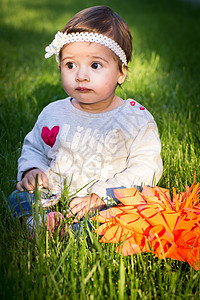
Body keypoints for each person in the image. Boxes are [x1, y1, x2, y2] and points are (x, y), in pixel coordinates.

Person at [8, 5, 163, 234]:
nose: (81, 75)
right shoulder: (53, 113)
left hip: (104, 200)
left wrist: (102, 194)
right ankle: (38, 223)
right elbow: (35, 147)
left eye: (95, 65)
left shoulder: (135, 119)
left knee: (123, 216)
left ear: (121, 72)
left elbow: (145, 168)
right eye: (71, 65)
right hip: (54, 193)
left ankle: (78, 234)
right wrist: (33, 170)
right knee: (17, 197)